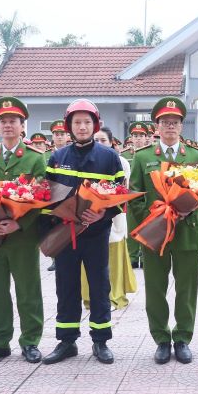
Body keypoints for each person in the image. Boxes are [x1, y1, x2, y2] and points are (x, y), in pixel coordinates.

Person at [42, 99, 124, 365]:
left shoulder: (109, 157)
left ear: (95, 125)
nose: (82, 126)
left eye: (87, 122)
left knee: (100, 286)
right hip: (66, 234)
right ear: (69, 126)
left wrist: (103, 212)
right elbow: (48, 197)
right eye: (77, 122)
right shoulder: (58, 157)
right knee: (65, 287)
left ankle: (101, 341)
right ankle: (66, 341)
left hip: (96, 233)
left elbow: (121, 196)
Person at [0, 97, 47, 366]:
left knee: (28, 291)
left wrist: (20, 223)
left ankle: (30, 341)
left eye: (13, 121)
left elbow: (43, 200)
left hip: (22, 238)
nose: (7, 126)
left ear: (22, 125)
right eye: (3, 121)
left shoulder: (35, 158)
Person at [130, 97, 198, 365]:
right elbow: (134, 196)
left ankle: (183, 337)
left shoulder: (196, 157)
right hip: (155, 233)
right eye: (165, 122)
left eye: (174, 122)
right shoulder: (143, 157)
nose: (170, 126)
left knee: (186, 289)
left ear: (182, 126)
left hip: (186, 231)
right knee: (155, 288)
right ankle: (161, 339)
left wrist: (188, 209)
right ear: (157, 126)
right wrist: (155, 217)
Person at [80, 126, 137, 310]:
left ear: (112, 142)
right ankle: (90, 297)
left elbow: (122, 190)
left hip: (113, 215)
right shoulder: (84, 160)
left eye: (103, 140)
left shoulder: (120, 161)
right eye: (95, 140)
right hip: (88, 216)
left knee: (111, 256)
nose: (99, 144)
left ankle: (113, 296)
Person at [124, 121, 151, 267]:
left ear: (146, 137)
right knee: (132, 227)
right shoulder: (124, 155)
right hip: (129, 196)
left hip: (146, 197)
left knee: (147, 227)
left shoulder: (150, 154)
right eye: (135, 135)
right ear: (131, 138)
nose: (138, 138)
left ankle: (144, 255)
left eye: (141, 135)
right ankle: (133, 257)